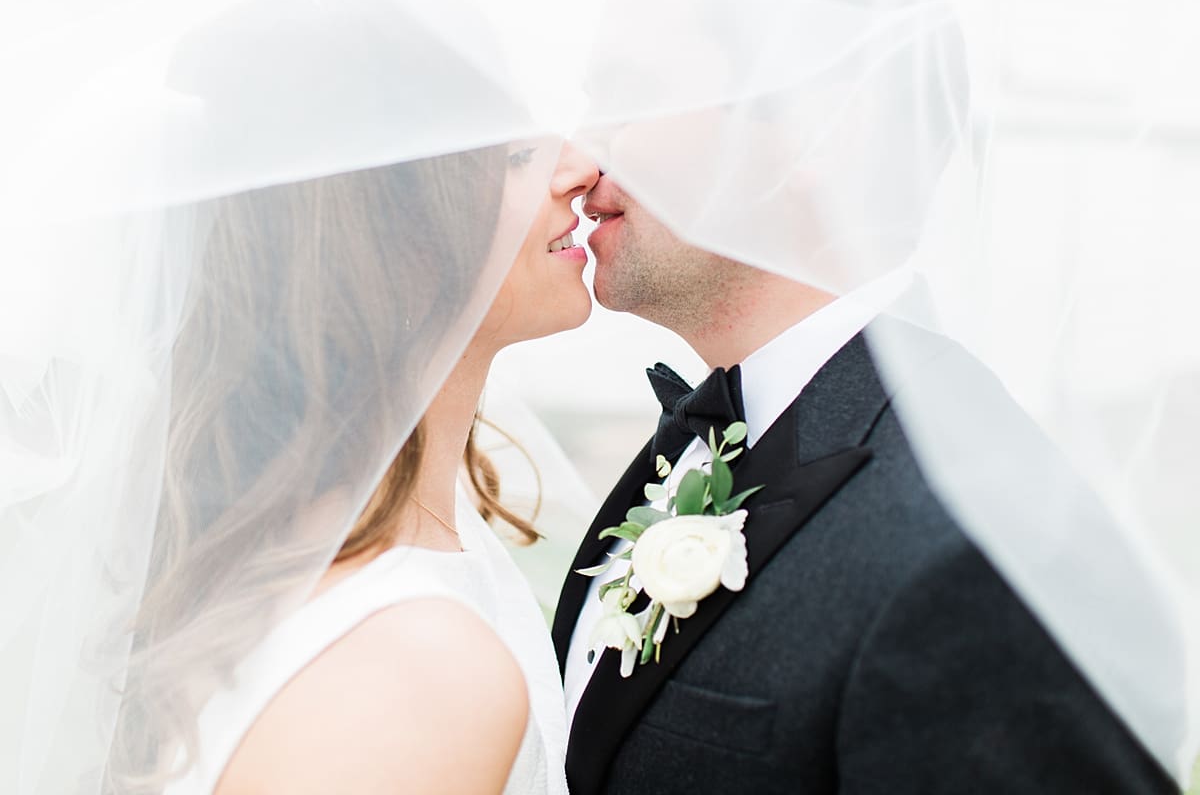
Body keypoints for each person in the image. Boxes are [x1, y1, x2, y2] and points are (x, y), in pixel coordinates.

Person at [551, 169, 1181, 793]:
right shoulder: (710, 431)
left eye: (630, 98)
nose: (583, 160)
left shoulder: (972, 549)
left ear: (806, 140)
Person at [103, 143, 599, 795]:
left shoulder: (405, 540)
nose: (580, 169)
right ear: (391, 240)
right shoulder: (407, 669)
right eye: (514, 155)